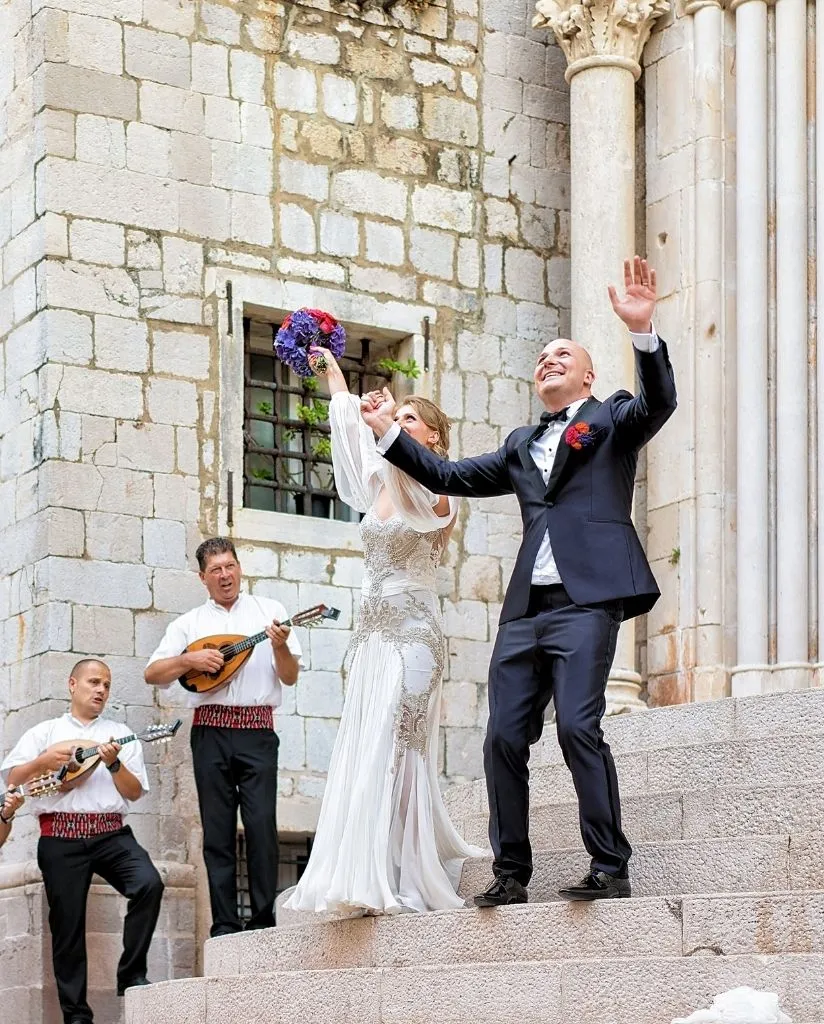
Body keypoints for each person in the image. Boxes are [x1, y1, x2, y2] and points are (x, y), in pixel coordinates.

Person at [361, 256, 677, 905]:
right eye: (541, 358)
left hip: (588, 600)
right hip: (526, 609)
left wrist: (643, 333)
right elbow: (448, 476)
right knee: (503, 735)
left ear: (588, 374)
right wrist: (390, 431)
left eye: (562, 353)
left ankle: (609, 866)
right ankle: (511, 872)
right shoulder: (518, 443)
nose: (548, 360)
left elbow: (659, 402)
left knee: (576, 728)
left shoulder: (614, 419)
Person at [282, 349, 484, 919]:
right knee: (363, 746)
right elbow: (349, 435)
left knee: (398, 747)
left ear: (436, 439)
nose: (400, 428)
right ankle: (360, 869)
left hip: (413, 637)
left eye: (412, 421)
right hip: (370, 638)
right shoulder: (378, 486)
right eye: (400, 422)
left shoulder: (439, 491)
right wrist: (334, 375)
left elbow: (423, 502)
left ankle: (400, 873)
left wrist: (392, 429)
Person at [144, 537, 303, 936]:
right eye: (215, 569)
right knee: (216, 830)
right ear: (203, 577)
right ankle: (225, 924)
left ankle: (265, 919)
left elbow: (289, 676)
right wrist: (188, 659)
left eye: (230, 566)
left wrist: (281, 647)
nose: (225, 575)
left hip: (257, 730)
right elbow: (153, 673)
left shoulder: (270, 612)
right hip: (210, 731)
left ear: (239, 568)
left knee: (262, 824)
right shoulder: (189, 624)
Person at [1, 659, 163, 1024]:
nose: (101, 690)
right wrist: (43, 759)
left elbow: (135, 794)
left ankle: (132, 974)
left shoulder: (120, 734)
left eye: (106, 684)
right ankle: (76, 1016)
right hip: (60, 836)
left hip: (111, 833)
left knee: (149, 884)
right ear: (72, 684)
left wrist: (114, 764)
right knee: (67, 927)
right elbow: (13, 777)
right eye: (93, 682)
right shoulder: (45, 732)